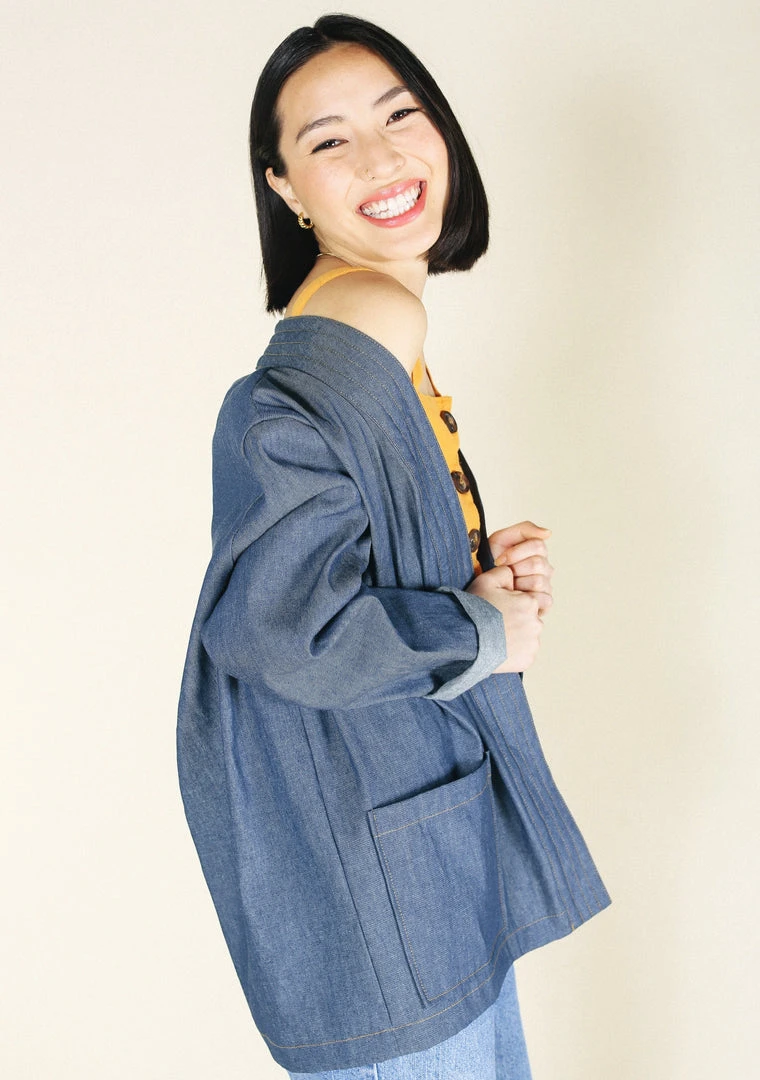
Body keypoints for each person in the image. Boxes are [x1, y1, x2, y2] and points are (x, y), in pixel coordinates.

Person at [177, 14, 610, 1079]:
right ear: (284, 187)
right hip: (385, 890)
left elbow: (346, 571)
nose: (379, 158)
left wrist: (469, 578)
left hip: (421, 861)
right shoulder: (365, 320)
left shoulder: (370, 320)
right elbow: (282, 628)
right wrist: (476, 629)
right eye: (328, 141)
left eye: (400, 115)